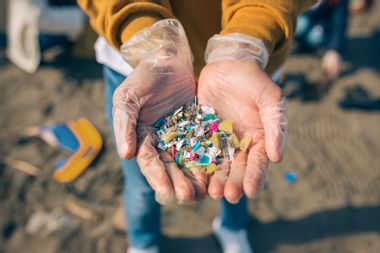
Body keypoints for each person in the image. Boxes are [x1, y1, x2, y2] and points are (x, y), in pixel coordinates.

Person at [76, 1, 316, 253]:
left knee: (237, 176)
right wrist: (145, 36)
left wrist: (247, 40)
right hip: (142, 66)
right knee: (141, 183)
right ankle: (143, 243)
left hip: (246, 69)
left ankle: (232, 227)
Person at [294, 0, 349, 81]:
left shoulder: (338, 2)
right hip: (305, 16)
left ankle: (310, 47)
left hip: (322, 24)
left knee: (315, 38)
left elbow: (339, 23)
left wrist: (333, 50)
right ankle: (298, 43)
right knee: (299, 25)